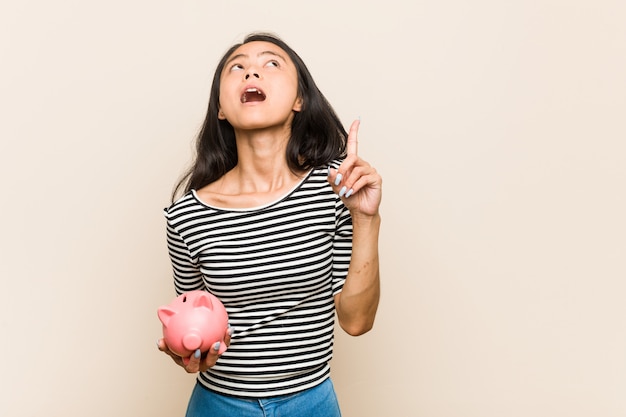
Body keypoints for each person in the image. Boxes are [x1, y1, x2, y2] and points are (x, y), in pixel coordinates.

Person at [157, 31, 382, 417]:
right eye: (237, 68)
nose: (251, 73)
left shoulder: (335, 188)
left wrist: (366, 218)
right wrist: (189, 352)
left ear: (299, 100)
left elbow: (356, 321)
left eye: (270, 63)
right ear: (221, 110)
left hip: (311, 402)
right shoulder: (186, 216)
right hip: (217, 405)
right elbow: (194, 316)